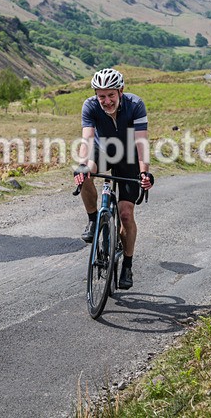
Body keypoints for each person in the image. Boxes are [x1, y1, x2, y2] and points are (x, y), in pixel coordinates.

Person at [74, 68, 154, 290]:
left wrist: (144, 172)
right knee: (85, 172)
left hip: (128, 156)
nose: (106, 101)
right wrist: (82, 165)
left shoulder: (135, 105)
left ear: (121, 91)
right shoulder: (90, 106)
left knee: (126, 214)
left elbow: (141, 144)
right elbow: (87, 139)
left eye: (111, 95)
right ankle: (93, 219)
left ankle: (127, 264)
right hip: (103, 150)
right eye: (102, 96)